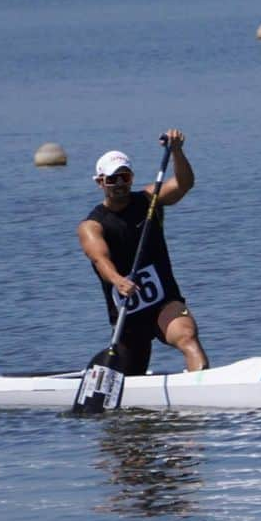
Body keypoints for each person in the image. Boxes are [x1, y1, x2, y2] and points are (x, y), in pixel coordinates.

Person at [78, 129, 209, 377]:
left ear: (131, 178)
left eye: (124, 178)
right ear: (100, 182)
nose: (119, 184)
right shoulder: (92, 226)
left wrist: (177, 152)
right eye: (111, 179)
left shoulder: (150, 201)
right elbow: (99, 259)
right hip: (128, 312)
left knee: (187, 337)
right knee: (131, 375)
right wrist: (118, 280)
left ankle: (202, 392)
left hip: (164, 302)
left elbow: (184, 183)